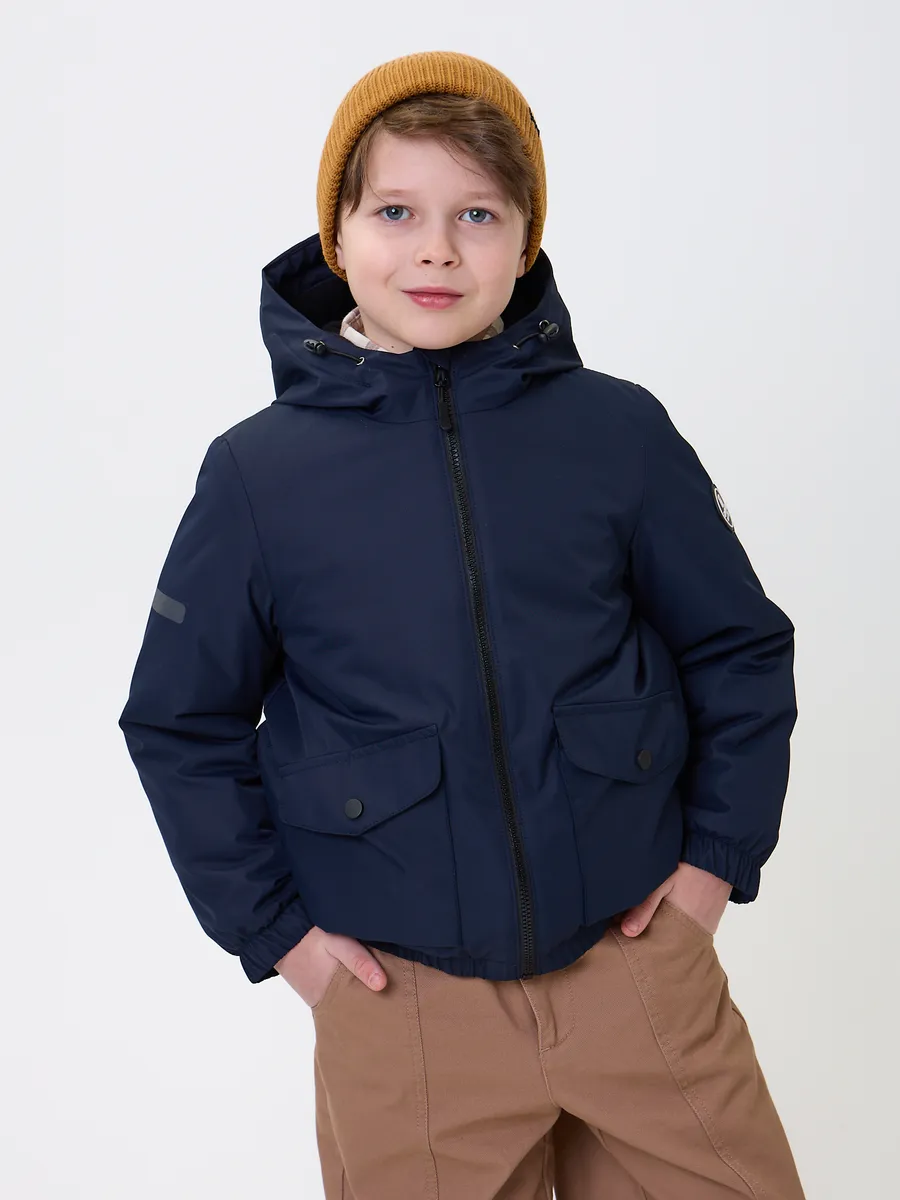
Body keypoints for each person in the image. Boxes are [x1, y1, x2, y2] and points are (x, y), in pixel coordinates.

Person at [118, 49, 806, 1199]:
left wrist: (710, 871)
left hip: (639, 973)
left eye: (477, 214)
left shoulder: (619, 436)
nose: (436, 249)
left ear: (526, 241)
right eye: (396, 211)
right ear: (338, 235)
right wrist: (282, 940)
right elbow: (180, 722)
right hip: (404, 1012)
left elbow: (736, 647)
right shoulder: (256, 476)